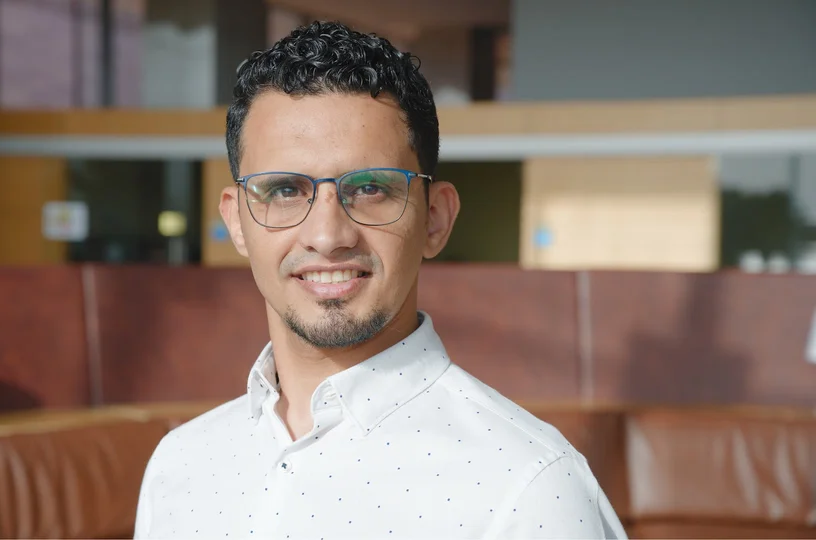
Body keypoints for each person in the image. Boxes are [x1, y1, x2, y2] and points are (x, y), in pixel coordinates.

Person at [134, 20, 627, 540]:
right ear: (237, 222)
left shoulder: (530, 488)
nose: (327, 236)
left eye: (370, 188)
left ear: (435, 219)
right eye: (284, 190)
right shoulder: (179, 467)